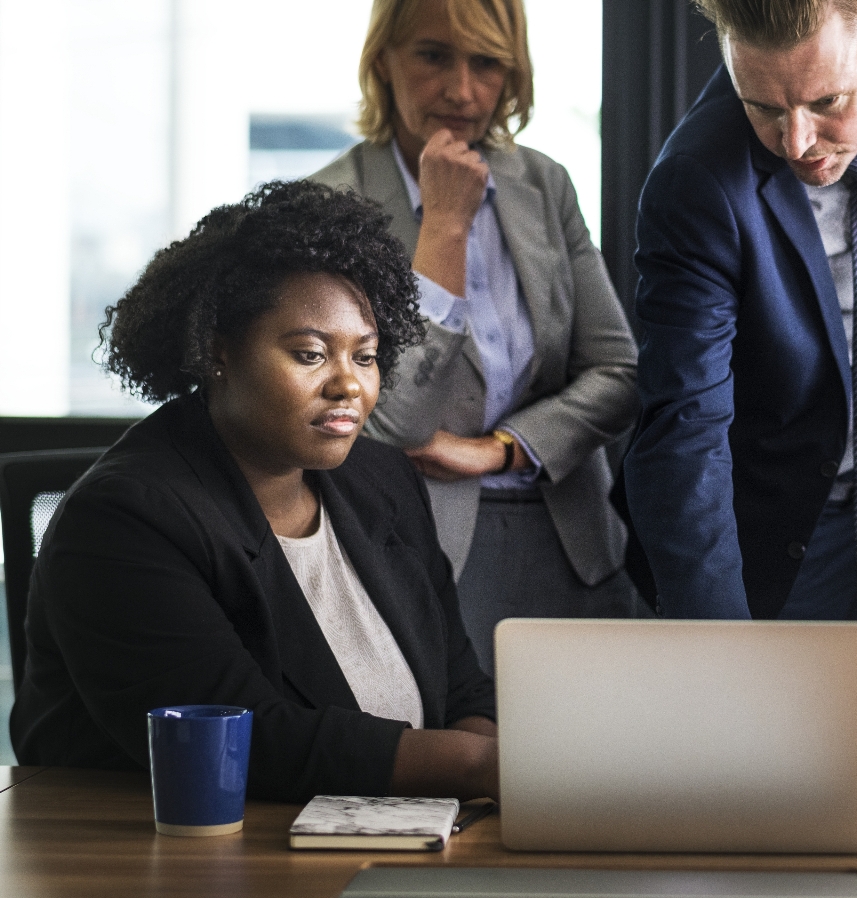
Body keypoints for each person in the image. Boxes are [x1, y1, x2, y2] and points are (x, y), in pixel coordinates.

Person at [10, 181, 498, 803]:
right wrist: (475, 769)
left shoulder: (382, 481)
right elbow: (248, 741)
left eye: (367, 356)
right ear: (217, 353)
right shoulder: (124, 518)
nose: (348, 384)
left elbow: (461, 687)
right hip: (161, 859)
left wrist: (484, 789)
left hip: (387, 840)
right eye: (310, 354)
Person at [622, 0, 857, 776]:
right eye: (764, 108)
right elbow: (683, 435)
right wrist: (723, 663)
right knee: (766, 794)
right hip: (765, 541)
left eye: (826, 104)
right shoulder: (695, 184)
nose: (798, 142)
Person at [312, 0, 642, 675]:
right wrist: (446, 228)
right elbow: (395, 422)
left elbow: (619, 373)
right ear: (384, 61)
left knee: (597, 770)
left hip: (575, 542)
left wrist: (500, 450)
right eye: (434, 55)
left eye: (487, 62)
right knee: (467, 771)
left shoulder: (543, 183)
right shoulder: (329, 207)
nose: (462, 91)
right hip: (427, 550)